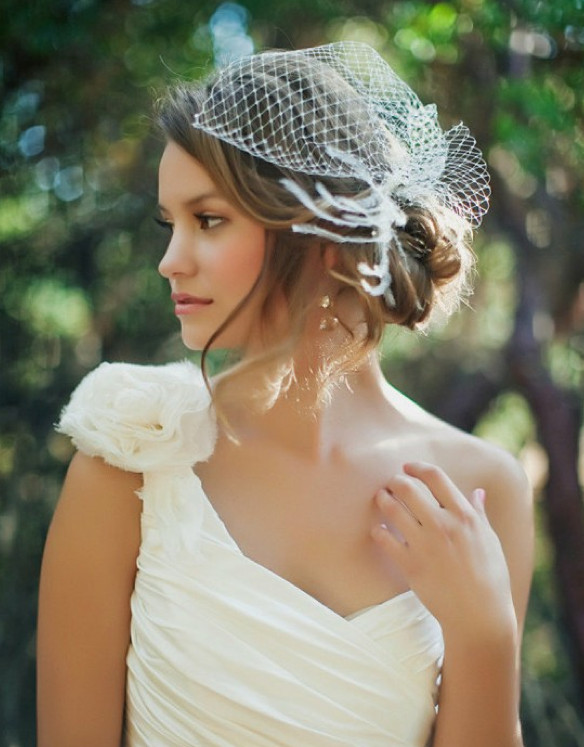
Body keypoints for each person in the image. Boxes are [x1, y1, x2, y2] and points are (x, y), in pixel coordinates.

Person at [37, 41, 533, 747]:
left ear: (324, 236)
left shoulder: (484, 489)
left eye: (207, 220)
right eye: (168, 223)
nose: (169, 260)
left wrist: (485, 637)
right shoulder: (133, 453)